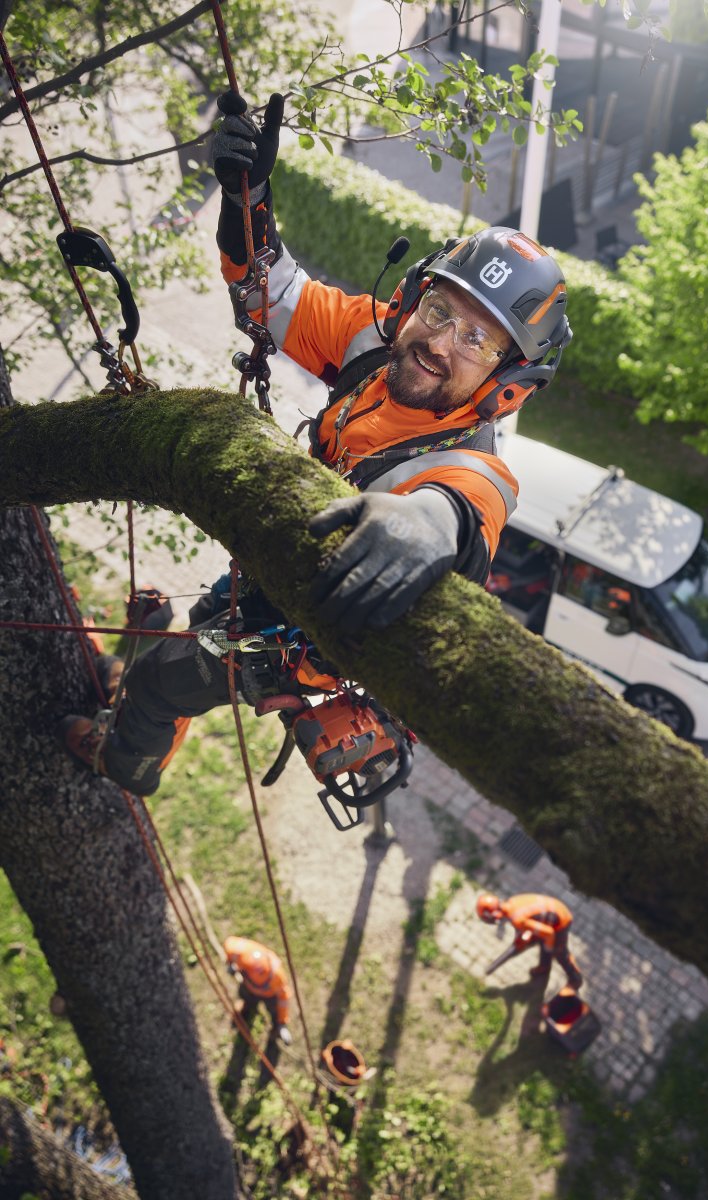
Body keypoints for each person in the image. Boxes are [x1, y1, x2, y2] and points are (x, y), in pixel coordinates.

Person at [59, 91, 571, 796]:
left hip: (296, 640)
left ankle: (127, 761)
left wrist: (428, 524)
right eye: (440, 309)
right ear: (413, 298)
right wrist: (247, 199)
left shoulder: (469, 467)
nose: (439, 342)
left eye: (478, 340)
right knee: (201, 622)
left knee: (159, 681)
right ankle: (152, 691)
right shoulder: (377, 341)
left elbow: (467, 508)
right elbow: (271, 292)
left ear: (508, 381)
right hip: (270, 565)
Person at [476, 892, 583, 990]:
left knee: (559, 952)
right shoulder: (512, 901)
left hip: (561, 921)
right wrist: (525, 936)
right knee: (542, 941)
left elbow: (549, 933)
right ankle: (544, 967)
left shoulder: (518, 919)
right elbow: (531, 920)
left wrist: (549, 949)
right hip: (555, 910)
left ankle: (576, 979)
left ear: (495, 915)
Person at [224, 935, 292, 1046]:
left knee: (274, 1012)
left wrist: (282, 1022)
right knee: (246, 998)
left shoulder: (277, 978)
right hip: (248, 988)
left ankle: (276, 1029)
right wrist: (230, 962)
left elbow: (283, 1000)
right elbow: (229, 943)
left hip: (270, 996)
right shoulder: (241, 952)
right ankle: (246, 1008)